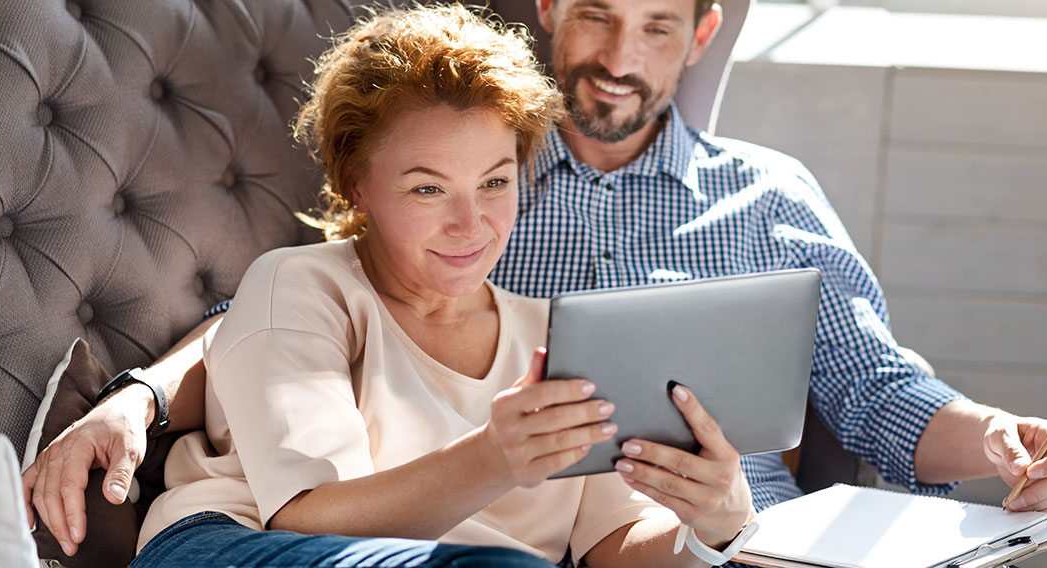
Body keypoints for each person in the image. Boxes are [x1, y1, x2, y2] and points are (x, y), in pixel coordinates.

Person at [23, 0, 1047, 561]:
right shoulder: (468, 190)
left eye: (656, 26)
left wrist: (992, 438)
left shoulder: (768, 195)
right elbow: (278, 317)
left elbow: (874, 387)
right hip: (417, 529)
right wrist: (143, 392)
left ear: (698, 36)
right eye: (594, 15)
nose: (619, 55)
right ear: (547, 8)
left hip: (729, 536)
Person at [82, 5, 755, 567]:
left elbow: (615, 545)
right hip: (239, 543)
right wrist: (493, 458)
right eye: (428, 188)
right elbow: (304, 517)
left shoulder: (558, 335)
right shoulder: (300, 286)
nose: (470, 224)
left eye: (495, 182)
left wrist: (718, 525)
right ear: (357, 184)